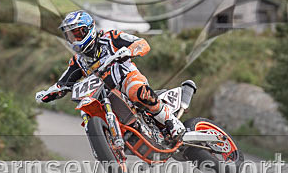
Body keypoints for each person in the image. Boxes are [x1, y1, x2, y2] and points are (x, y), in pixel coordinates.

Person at [35, 10, 186, 140]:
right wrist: (49, 93)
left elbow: (142, 43)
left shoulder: (110, 38)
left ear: (89, 29)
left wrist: (129, 51)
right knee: (87, 108)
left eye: (77, 34)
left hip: (126, 78)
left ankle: (172, 122)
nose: (74, 39)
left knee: (136, 90)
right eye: (70, 36)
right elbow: (64, 83)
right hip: (104, 94)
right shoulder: (78, 62)